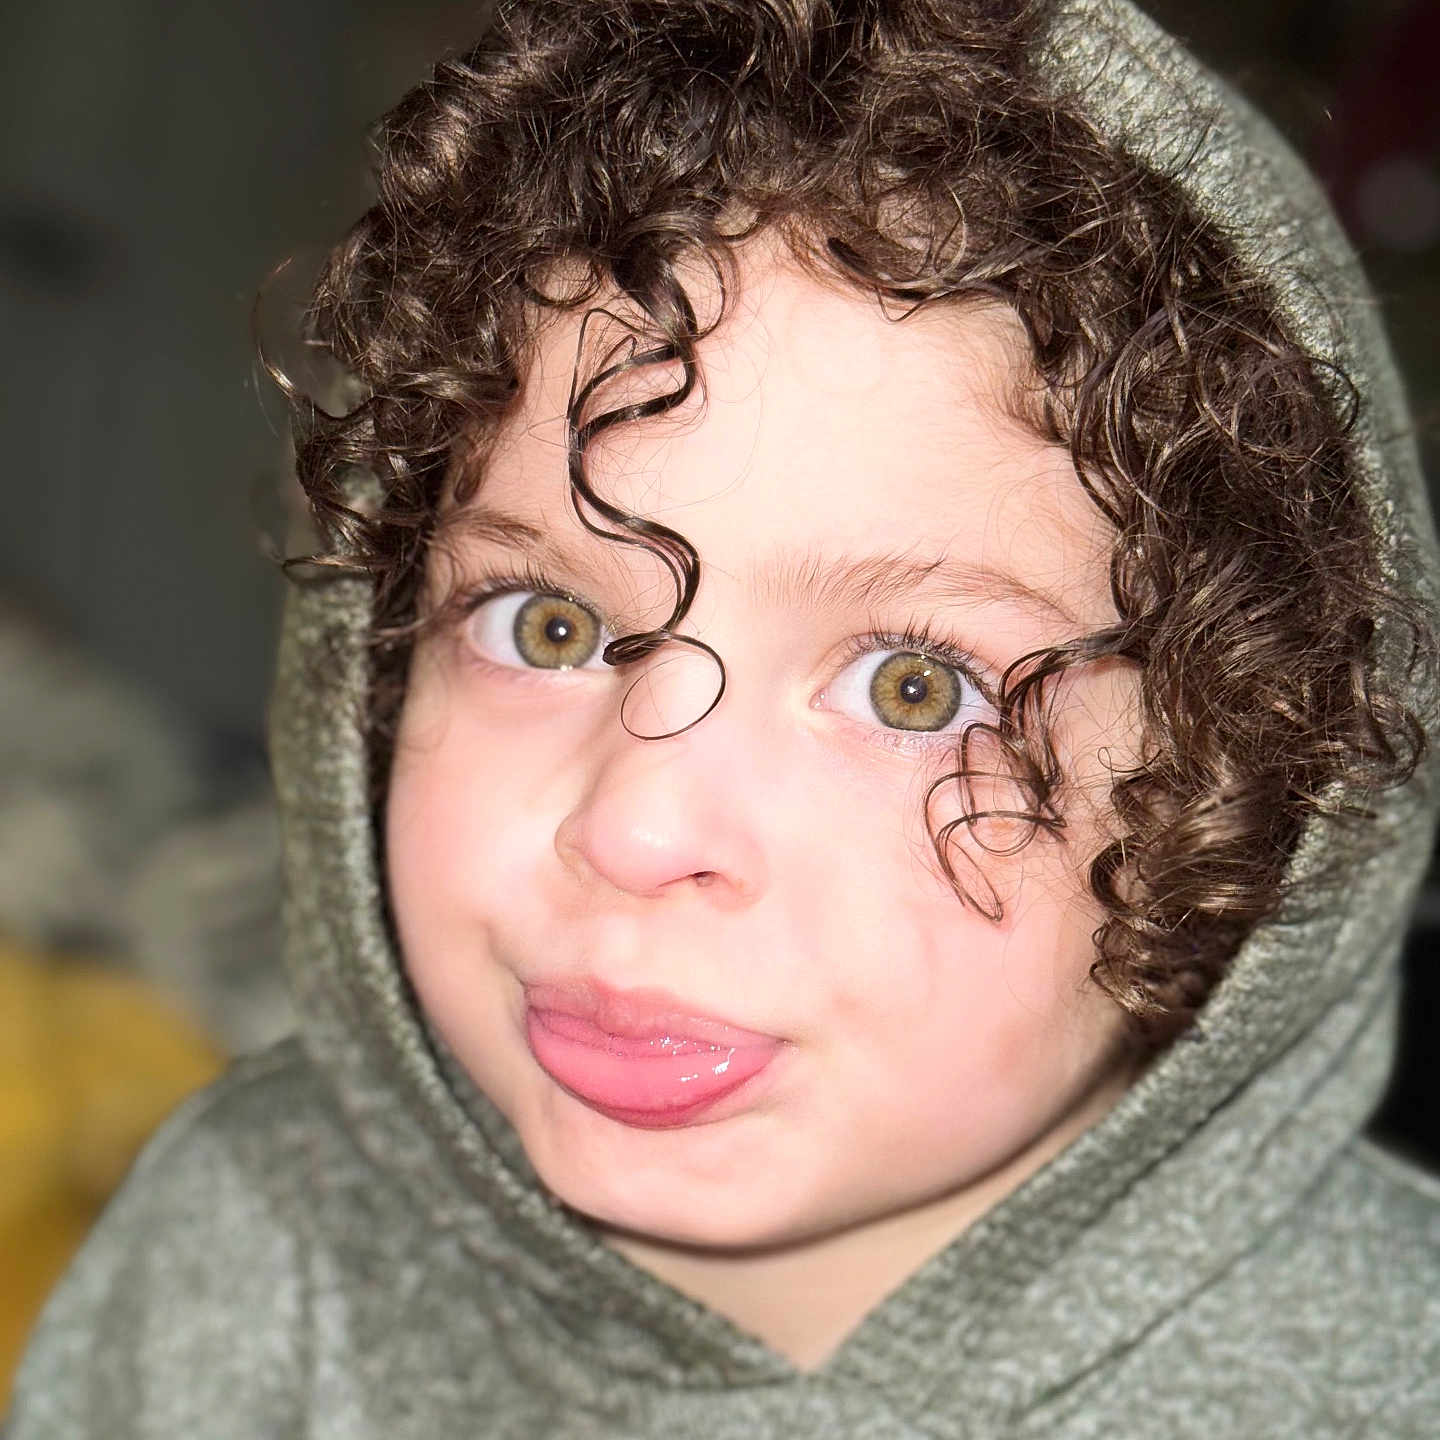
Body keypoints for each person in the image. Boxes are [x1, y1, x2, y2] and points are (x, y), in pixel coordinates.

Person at [9, 0, 1440, 1434]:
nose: (636, 827)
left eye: (914, 688)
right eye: (548, 626)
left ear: (1250, 780)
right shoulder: (245, 1249)